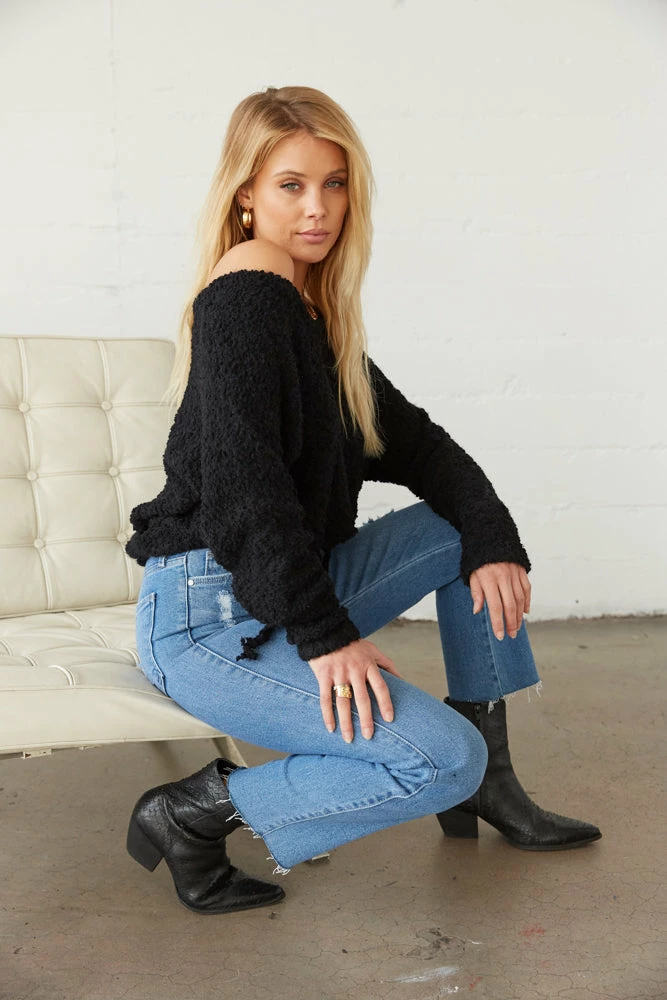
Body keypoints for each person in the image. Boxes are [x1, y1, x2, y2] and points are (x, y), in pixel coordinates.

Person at [124, 85, 601, 916]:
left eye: (334, 184)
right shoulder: (246, 298)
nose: (317, 208)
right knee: (440, 758)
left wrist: (493, 541)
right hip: (208, 622)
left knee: (462, 528)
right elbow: (245, 496)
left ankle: (492, 785)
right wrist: (326, 637)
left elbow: (421, 446)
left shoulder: (306, 311)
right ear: (245, 196)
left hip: (272, 586)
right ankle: (193, 812)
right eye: (291, 185)